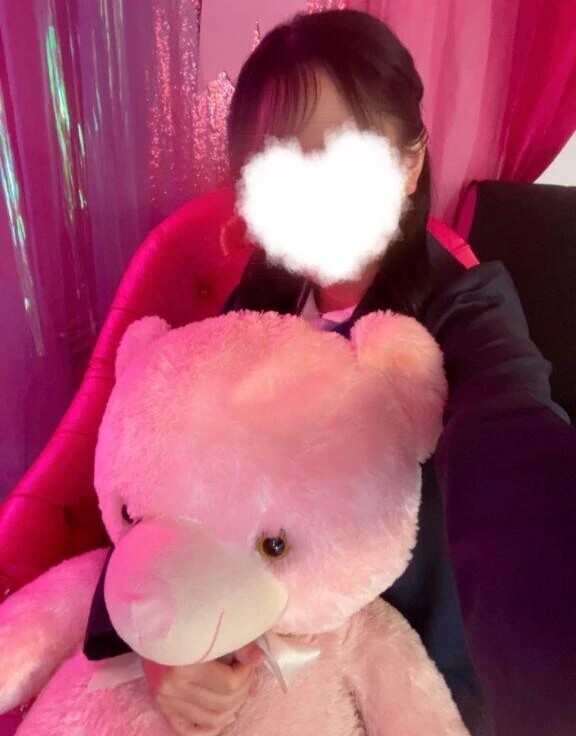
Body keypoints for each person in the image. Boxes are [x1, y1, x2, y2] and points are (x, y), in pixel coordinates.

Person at [82, 9, 576, 736]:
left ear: (408, 162)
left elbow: (513, 449)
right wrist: (160, 638)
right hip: (258, 671)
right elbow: (171, 475)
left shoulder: (465, 313)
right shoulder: (261, 303)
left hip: (404, 692)